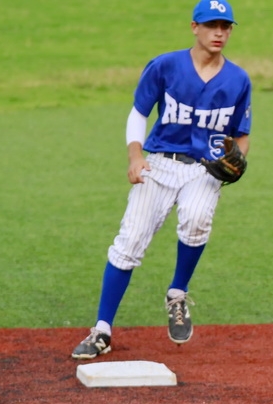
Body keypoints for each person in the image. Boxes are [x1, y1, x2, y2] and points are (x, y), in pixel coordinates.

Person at [71, 0, 252, 360]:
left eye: (226, 26)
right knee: (129, 242)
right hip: (159, 163)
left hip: (203, 169)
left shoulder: (238, 79)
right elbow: (139, 112)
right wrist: (135, 157)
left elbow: (240, 133)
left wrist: (238, 162)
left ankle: (177, 294)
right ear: (194, 27)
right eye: (212, 25)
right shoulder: (166, 66)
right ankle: (102, 329)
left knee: (197, 219)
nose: (219, 32)